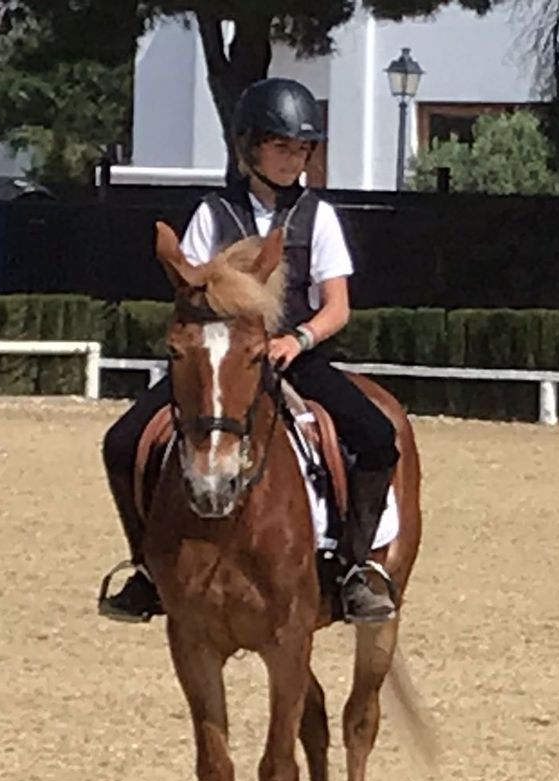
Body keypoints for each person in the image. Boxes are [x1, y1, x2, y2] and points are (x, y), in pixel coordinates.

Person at [98, 77, 399, 626]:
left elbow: (337, 306)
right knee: (121, 442)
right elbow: (189, 289)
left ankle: (356, 568)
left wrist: (297, 339)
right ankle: (146, 570)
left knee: (377, 438)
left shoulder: (318, 216)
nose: (293, 159)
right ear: (250, 149)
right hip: (221, 361)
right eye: (282, 147)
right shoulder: (213, 215)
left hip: (293, 355)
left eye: (302, 149)